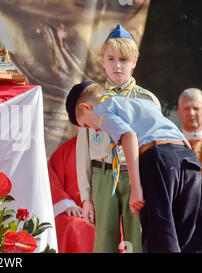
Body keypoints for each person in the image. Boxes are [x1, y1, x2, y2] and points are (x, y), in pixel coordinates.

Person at [66, 80, 202, 253]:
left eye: (86, 124)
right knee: (187, 238)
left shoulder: (101, 108)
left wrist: (136, 188)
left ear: (86, 107)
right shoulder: (143, 102)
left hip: (159, 160)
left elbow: (129, 136)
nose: (94, 129)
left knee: (160, 238)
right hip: (187, 160)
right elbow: (179, 137)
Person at [75, 24, 161, 253]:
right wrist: (86, 198)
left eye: (123, 59)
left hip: (137, 177)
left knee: (138, 239)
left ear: (134, 61)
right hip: (102, 176)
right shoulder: (92, 100)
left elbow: (156, 149)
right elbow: (82, 151)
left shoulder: (147, 100)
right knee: (104, 242)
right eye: (111, 59)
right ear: (102, 61)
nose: (117, 65)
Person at [48, 134, 95, 253]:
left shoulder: (109, 148)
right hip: (72, 211)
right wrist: (67, 204)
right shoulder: (65, 150)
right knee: (72, 225)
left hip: (101, 210)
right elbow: (52, 180)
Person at [177, 88, 202, 164]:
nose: (191, 113)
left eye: (196, 108)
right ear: (179, 112)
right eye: (186, 108)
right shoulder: (172, 142)